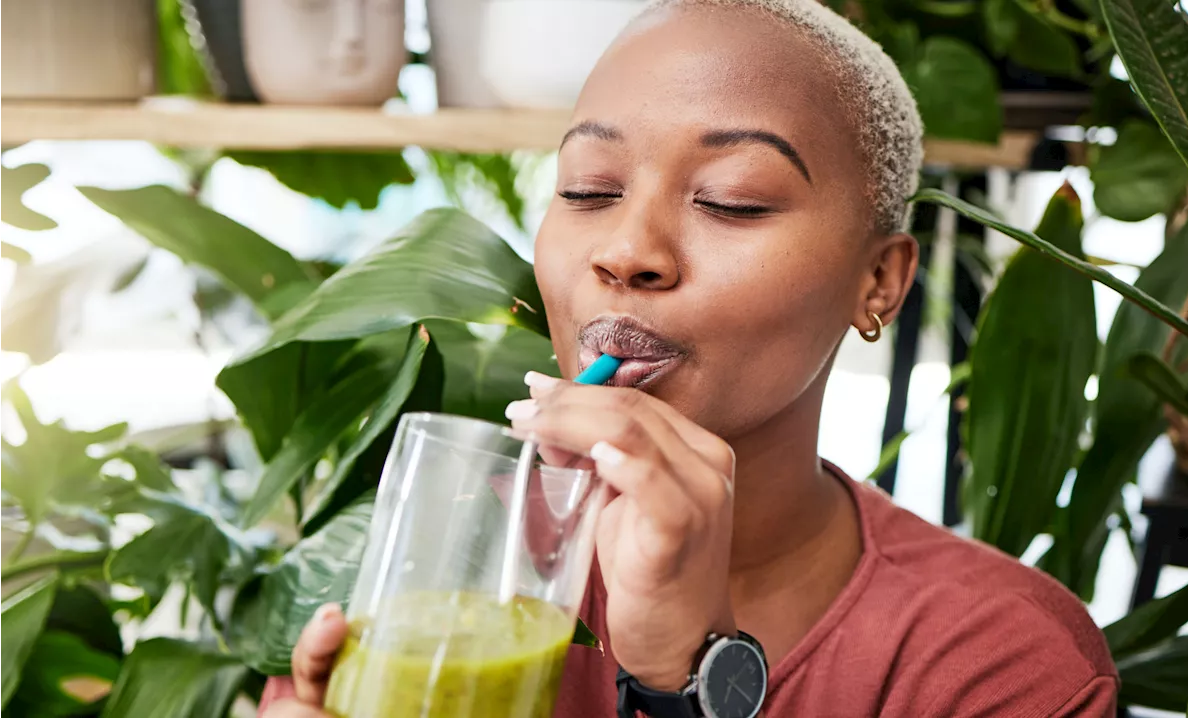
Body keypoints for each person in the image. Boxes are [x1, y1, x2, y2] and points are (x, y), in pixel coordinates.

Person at [260, 0, 1118, 716]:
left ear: (879, 282)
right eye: (588, 190)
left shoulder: (998, 663)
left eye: (731, 201)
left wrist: (689, 679)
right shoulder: (431, 560)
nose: (628, 249)